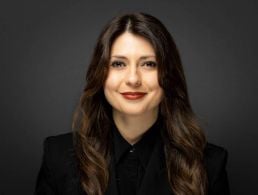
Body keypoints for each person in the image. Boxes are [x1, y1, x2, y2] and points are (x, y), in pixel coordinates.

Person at [35, 12, 230, 195]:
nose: (133, 79)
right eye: (118, 64)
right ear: (100, 74)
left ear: (169, 75)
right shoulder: (58, 157)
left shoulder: (209, 164)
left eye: (149, 64)